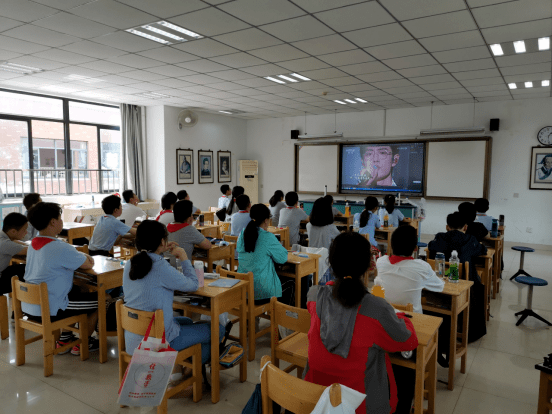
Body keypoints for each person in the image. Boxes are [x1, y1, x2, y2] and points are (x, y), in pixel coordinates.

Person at [304, 232, 418, 414]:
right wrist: (403, 317)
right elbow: (409, 341)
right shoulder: (377, 308)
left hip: (317, 397)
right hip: (360, 404)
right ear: (368, 265)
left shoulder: (314, 297)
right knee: (404, 368)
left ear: (331, 262)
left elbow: (334, 299)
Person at [123, 220, 224, 365]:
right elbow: (194, 285)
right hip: (158, 342)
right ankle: (190, 374)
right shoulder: (160, 266)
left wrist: (159, 249)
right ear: (163, 241)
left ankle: (178, 371)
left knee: (187, 321)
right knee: (217, 329)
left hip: (133, 339)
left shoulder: (130, 264)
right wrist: (183, 256)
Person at [23, 202, 99, 355]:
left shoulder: (33, 244)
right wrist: (83, 255)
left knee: (79, 291)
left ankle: (65, 338)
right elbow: (88, 263)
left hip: (29, 305)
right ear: (53, 221)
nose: (61, 222)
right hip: (51, 307)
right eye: (60, 218)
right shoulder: (59, 247)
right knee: (101, 300)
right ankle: (83, 344)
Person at [428, 211, 487, 343]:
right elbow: (483, 250)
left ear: (447, 227)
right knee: (477, 281)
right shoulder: (470, 239)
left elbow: (431, 247)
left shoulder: (440, 237)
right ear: (465, 227)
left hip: (440, 285)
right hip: (464, 286)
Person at [375, 225, 444, 314]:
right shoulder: (422, 266)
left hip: (386, 316)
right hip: (412, 320)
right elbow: (439, 287)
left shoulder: (381, 262)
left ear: (391, 245)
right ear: (415, 248)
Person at [236, 204, 289, 305]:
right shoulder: (267, 236)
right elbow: (282, 258)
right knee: (291, 283)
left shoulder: (243, 233)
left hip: (243, 288)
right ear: (266, 220)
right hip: (261, 291)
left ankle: (252, 318)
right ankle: (282, 317)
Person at [0, 213, 29, 296]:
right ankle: (25, 303)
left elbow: (14, 242)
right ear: (13, 231)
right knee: (28, 270)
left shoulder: (3, 237)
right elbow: (31, 250)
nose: (26, 232)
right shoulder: (5, 243)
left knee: (21, 269)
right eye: (24, 230)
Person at [355, 196, 381, 275]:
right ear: (375, 208)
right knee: (380, 248)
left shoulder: (357, 215)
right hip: (370, 246)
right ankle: (374, 272)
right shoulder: (375, 217)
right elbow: (379, 226)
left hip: (358, 245)